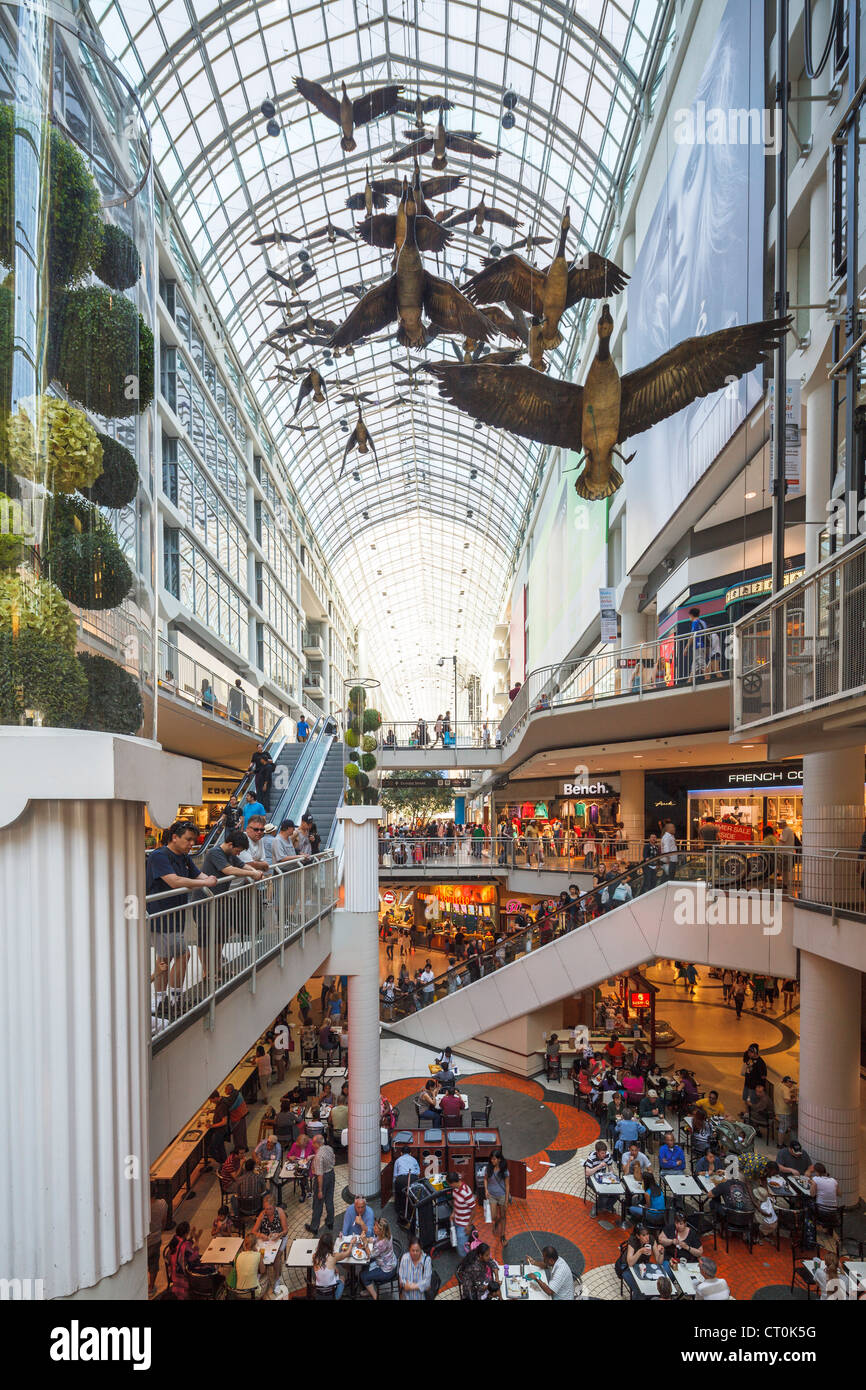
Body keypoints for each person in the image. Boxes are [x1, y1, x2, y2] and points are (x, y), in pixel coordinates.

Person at [146, 820, 217, 1010]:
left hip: (175, 915)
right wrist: (205, 883)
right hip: (161, 915)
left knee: (165, 957)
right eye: (188, 839)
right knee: (182, 955)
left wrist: (209, 879)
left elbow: (198, 875)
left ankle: (161, 1001)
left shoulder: (184, 857)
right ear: (174, 837)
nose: (191, 843)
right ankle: (169, 1000)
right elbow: (174, 881)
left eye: (193, 840)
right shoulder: (159, 856)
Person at [620, 1226, 665, 1300]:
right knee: (640, 1291)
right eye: (643, 1235)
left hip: (643, 1265)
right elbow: (630, 1263)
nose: (647, 1237)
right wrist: (640, 1251)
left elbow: (659, 1261)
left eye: (647, 1234)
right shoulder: (633, 1240)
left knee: (656, 1285)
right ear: (638, 1236)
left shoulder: (651, 1239)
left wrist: (661, 1253)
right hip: (628, 1268)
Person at [359, 1217, 397, 1299]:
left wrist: (365, 1242)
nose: (373, 1228)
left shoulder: (381, 1244)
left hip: (387, 1270)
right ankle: (368, 1286)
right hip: (391, 1261)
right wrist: (369, 1240)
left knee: (363, 1275)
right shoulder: (387, 1235)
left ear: (381, 1231)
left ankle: (374, 1296)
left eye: (375, 1227)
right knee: (365, 1264)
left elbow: (370, 1255)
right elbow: (377, 1239)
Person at [305, 1134, 336, 1236]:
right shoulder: (328, 1148)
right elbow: (333, 1159)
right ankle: (330, 1221)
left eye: (313, 1142)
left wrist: (320, 1190)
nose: (312, 1144)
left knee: (318, 1204)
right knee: (329, 1200)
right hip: (331, 1174)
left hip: (323, 1179)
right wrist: (312, 1156)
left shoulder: (318, 1157)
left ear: (317, 1143)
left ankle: (314, 1227)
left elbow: (320, 1175)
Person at [312, 1231, 351, 1299]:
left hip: (318, 1293)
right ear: (331, 1244)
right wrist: (352, 1243)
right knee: (342, 1278)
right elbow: (347, 1253)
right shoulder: (333, 1257)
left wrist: (334, 1267)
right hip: (332, 1295)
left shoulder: (314, 1256)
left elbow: (324, 1265)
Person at [484, 1149, 510, 1243]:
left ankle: (503, 1235)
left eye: (494, 1159)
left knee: (503, 1216)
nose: (492, 1161)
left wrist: (506, 1200)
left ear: (499, 1159)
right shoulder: (489, 1168)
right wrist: (486, 1189)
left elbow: (507, 1186)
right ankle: (497, 1222)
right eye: (491, 1159)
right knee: (494, 1216)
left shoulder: (504, 1171)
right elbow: (485, 1179)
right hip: (492, 1195)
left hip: (502, 1195)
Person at [449, 1169, 476, 1257]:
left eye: (449, 1184)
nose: (449, 1185)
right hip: (457, 1221)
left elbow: (474, 1210)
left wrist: (469, 1225)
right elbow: (456, 1201)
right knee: (459, 1244)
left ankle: (467, 1265)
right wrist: (453, 1213)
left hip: (464, 1225)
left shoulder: (466, 1192)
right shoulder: (455, 1189)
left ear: (453, 1183)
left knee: (462, 1249)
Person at [233, 1232, 265, 1297]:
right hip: (252, 1293)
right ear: (256, 1244)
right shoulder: (258, 1255)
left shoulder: (238, 1256)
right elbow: (262, 1271)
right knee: (266, 1278)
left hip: (239, 1292)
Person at [740, 1043, 767, 1114]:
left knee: (752, 1102)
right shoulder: (749, 1058)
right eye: (748, 1052)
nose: (748, 1053)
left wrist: (761, 1088)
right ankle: (746, 1113)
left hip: (753, 1087)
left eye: (750, 1052)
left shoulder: (761, 1063)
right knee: (745, 1099)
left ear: (755, 1052)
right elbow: (745, 1058)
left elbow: (763, 1077)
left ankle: (752, 1115)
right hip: (747, 1084)